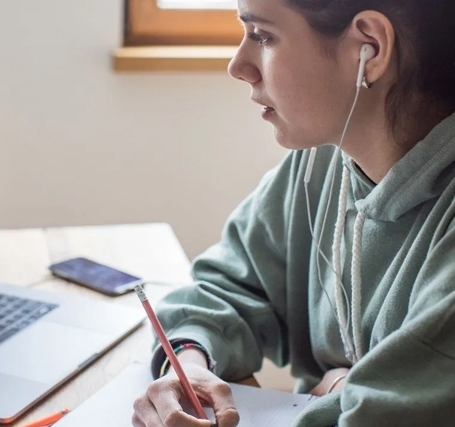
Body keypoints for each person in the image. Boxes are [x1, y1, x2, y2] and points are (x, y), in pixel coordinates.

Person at [132, 0, 455, 426]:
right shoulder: (322, 161)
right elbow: (229, 286)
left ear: (369, 48)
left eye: (262, 35)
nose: (238, 65)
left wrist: (342, 392)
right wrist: (191, 361)